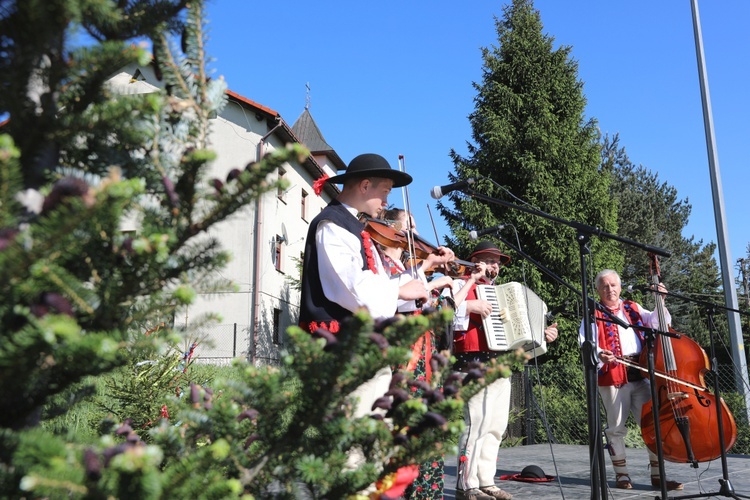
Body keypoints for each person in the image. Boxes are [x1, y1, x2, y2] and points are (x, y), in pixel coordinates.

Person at [452, 241, 559, 500]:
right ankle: (465, 486)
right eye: (490, 260)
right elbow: (445, 313)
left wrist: (541, 335)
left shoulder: (500, 293)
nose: (495, 266)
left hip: (500, 366)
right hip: (471, 366)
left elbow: (517, 335)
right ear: (475, 261)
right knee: (474, 426)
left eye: (497, 262)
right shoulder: (459, 284)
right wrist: (469, 306)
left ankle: (486, 480)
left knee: (495, 426)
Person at [579, 269, 683, 491]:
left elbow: (657, 324)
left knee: (652, 424)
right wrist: (599, 353)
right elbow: (585, 342)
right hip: (613, 375)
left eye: (613, 285)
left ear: (620, 287)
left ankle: (658, 476)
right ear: (598, 290)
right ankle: (622, 475)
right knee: (615, 427)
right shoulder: (593, 313)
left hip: (642, 373)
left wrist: (660, 301)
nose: (610, 290)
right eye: (605, 286)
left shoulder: (633, 308)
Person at [378, 207, 456, 499]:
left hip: (425, 359)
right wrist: (430, 275)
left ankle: (425, 493)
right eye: (408, 228)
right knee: (405, 430)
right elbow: (401, 301)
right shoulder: (384, 264)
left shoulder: (408, 269)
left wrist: (435, 272)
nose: (415, 235)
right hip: (404, 359)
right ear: (393, 231)